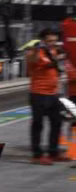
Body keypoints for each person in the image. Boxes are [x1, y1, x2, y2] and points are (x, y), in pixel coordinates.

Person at [27, 29, 65, 164]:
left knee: (57, 123)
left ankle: (53, 152)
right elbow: (37, 62)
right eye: (49, 41)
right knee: (38, 124)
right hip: (38, 93)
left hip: (53, 94)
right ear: (42, 40)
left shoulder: (54, 51)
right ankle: (37, 155)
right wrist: (36, 50)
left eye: (54, 41)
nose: (52, 43)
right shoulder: (35, 52)